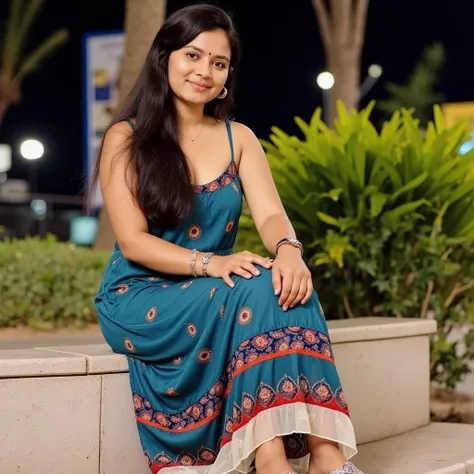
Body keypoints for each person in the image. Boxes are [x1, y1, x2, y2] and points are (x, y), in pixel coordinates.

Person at [91, 4, 364, 474]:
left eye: (219, 63)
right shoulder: (127, 138)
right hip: (139, 294)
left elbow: (272, 213)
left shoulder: (240, 138)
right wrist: (210, 263)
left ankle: (322, 454)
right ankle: (279, 460)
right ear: (165, 57)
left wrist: (289, 250)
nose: (204, 72)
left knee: (284, 278)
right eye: (193, 56)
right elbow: (133, 242)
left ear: (228, 74)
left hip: (221, 289)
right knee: (255, 282)